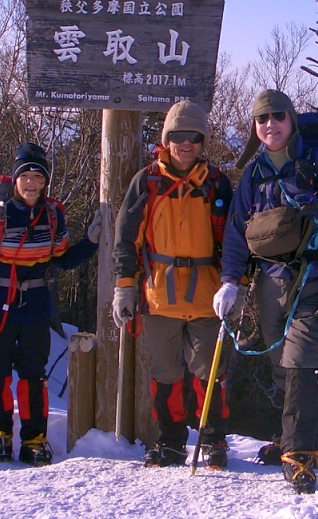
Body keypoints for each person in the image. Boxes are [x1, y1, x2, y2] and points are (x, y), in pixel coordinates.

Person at [214, 89, 318, 494]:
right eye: (262, 119)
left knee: (302, 361)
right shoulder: (254, 173)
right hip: (270, 281)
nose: (270, 125)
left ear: (291, 120)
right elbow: (236, 232)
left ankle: (299, 456)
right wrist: (231, 281)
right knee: (281, 364)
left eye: (277, 117)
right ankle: (293, 441)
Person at [111, 101, 234, 469]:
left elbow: (233, 240)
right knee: (165, 374)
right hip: (159, 295)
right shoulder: (147, 181)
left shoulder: (216, 183)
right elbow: (126, 239)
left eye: (193, 137)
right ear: (166, 139)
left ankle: (213, 441)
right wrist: (124, 287)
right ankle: (171, 442)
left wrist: (236, 285)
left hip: (207, 296)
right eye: (177, 136)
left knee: (209, 372)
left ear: (203, 141)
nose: (185, 144)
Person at [0, 142, 102, 466]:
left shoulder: (52, 217)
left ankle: (34, 440)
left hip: (37, 306)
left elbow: (64, 259)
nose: (31, 182)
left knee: (33, 374)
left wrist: (91, 241)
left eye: (37, 177)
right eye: (25, 175)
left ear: (44, 182)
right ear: (15, 180)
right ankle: (0, 434)